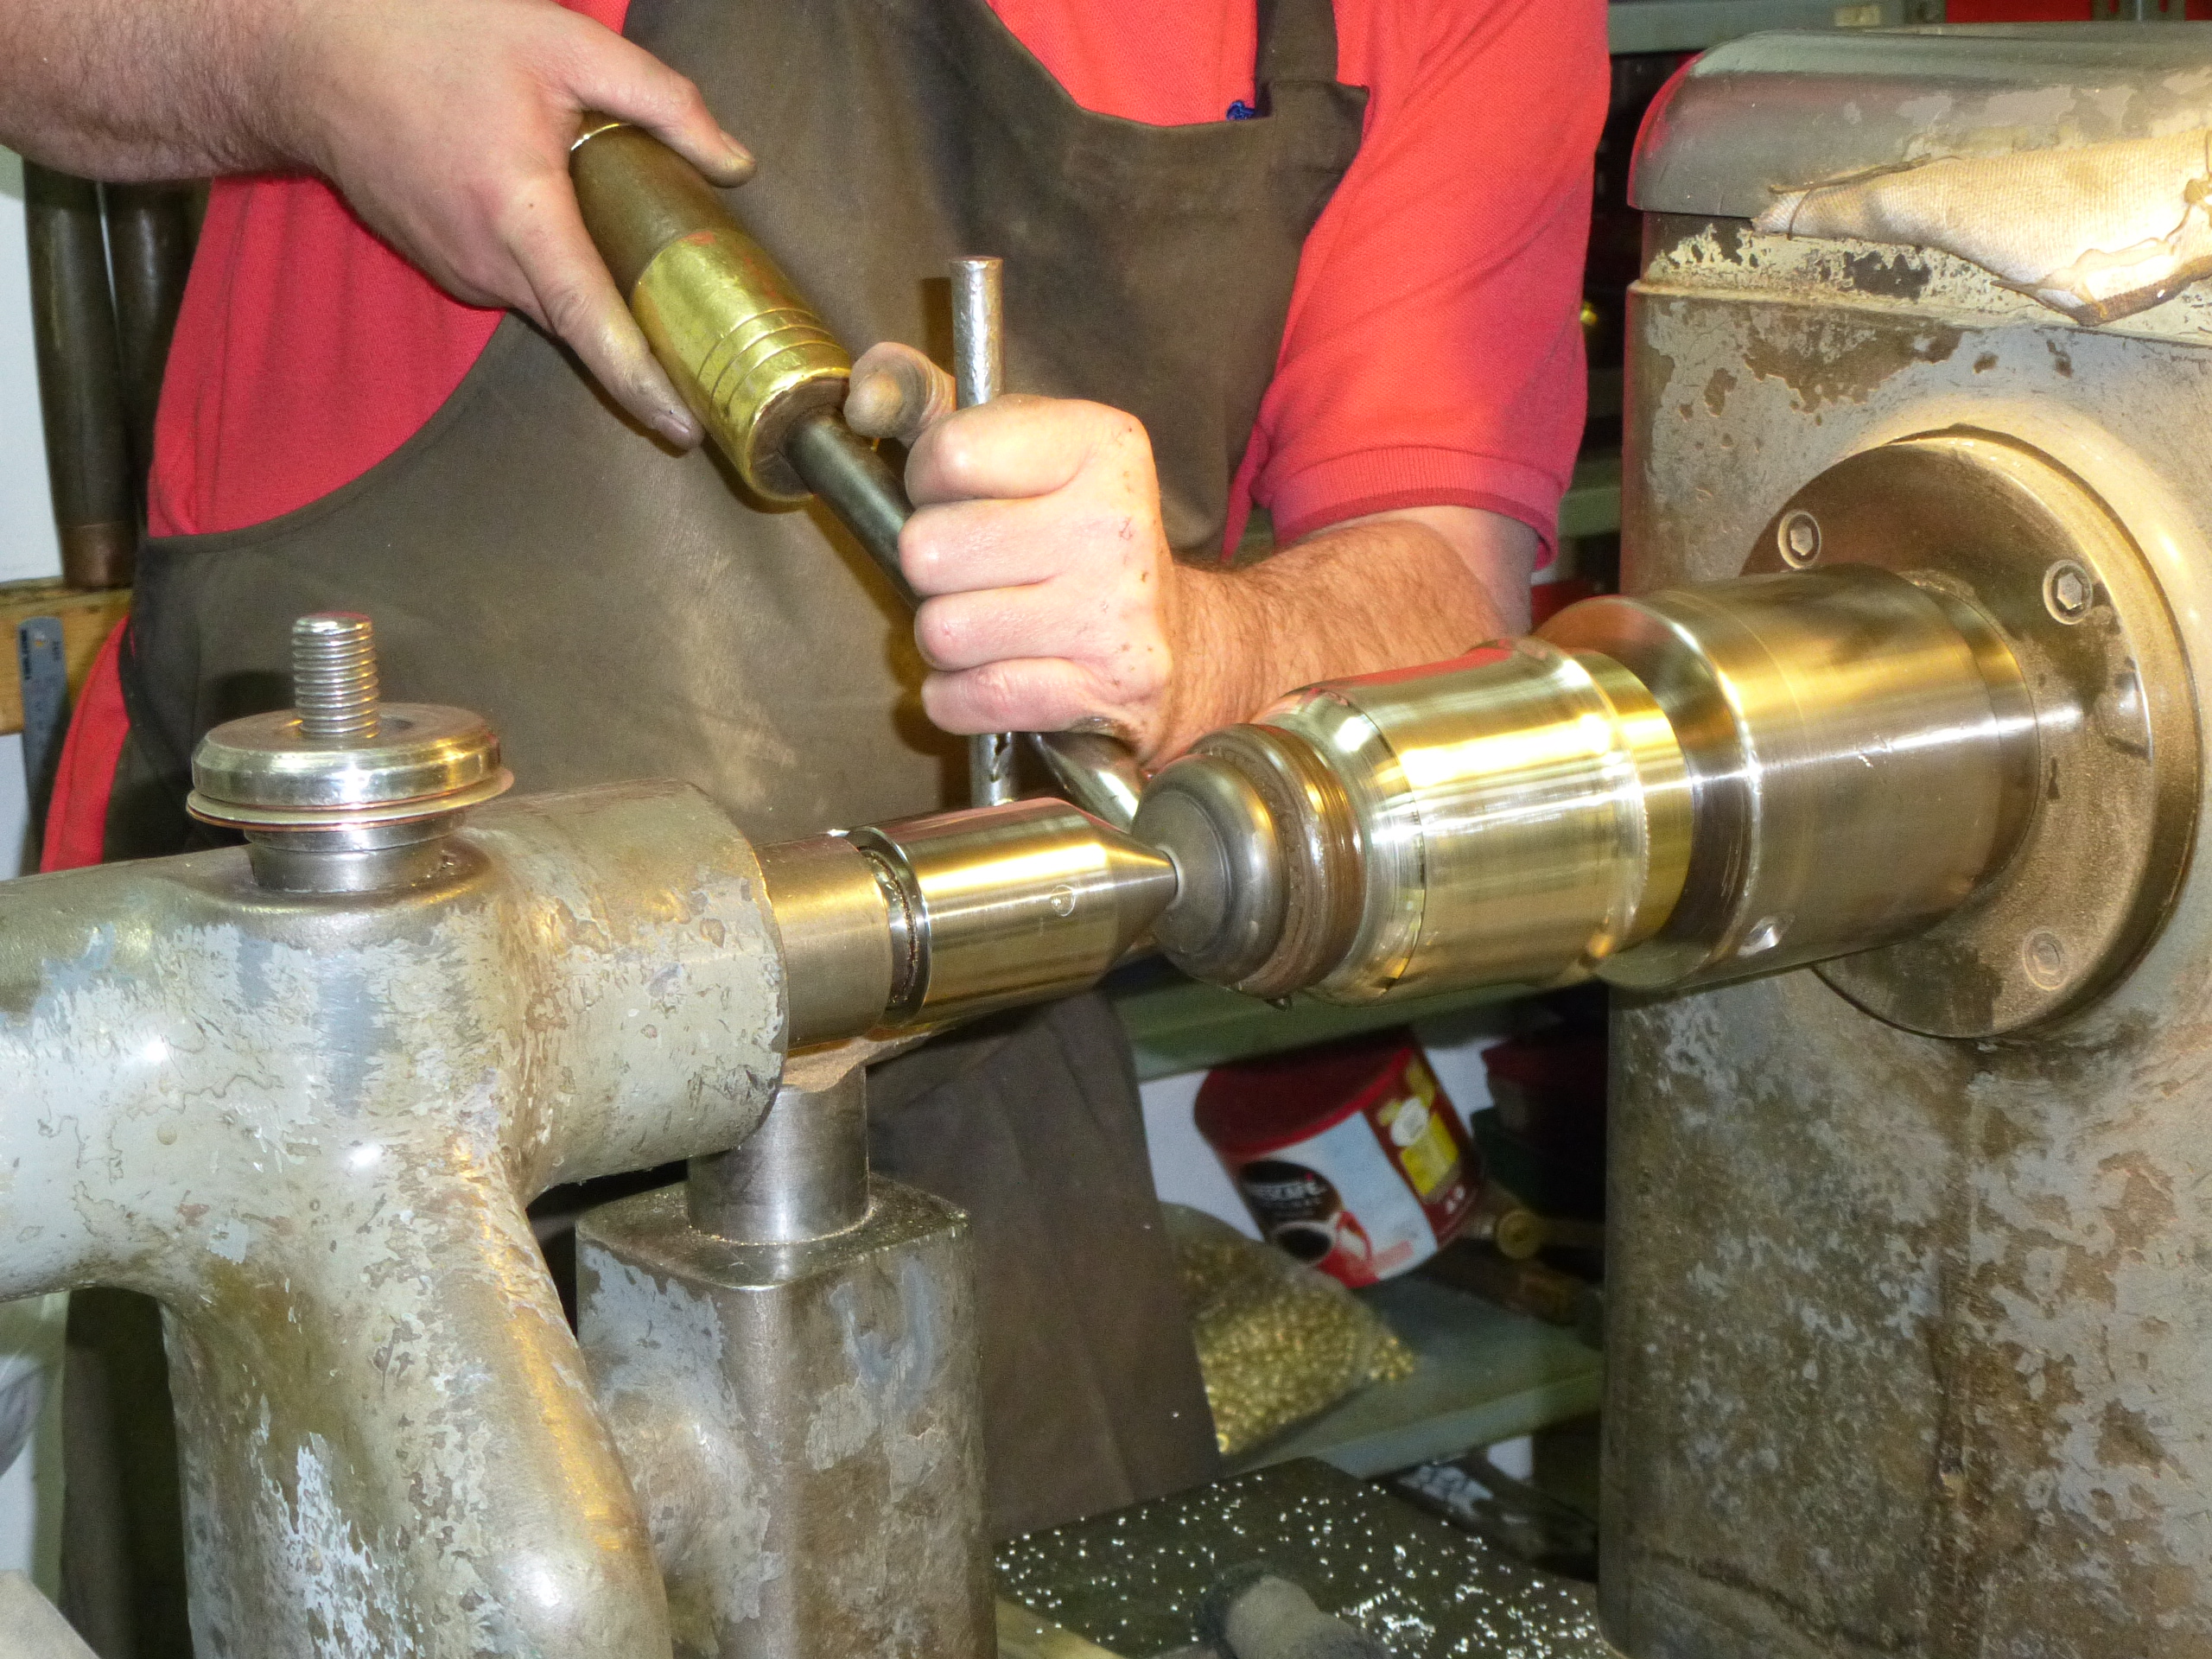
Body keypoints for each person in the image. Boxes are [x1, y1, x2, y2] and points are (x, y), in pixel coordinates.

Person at [3, 0, 1603, 1549]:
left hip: (976, 1073)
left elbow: (1443, 588)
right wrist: (304, 55)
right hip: (329, 1113)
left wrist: (1201, 644)